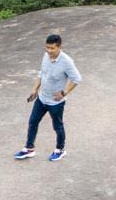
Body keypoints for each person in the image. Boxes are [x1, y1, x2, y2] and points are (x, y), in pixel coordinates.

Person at [15, 33, 81, 162]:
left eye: (52, 48)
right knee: (33, 122)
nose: (49, 51)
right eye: (47, 47)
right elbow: (42, 73)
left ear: (59, 47)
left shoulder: (67, 62)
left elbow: (77, 79)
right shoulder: (45, 56)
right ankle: (29, 149)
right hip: (41, 98)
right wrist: (35, 88)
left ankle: (60, 150)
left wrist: (64, 92)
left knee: (57, 126)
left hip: (55, 103)